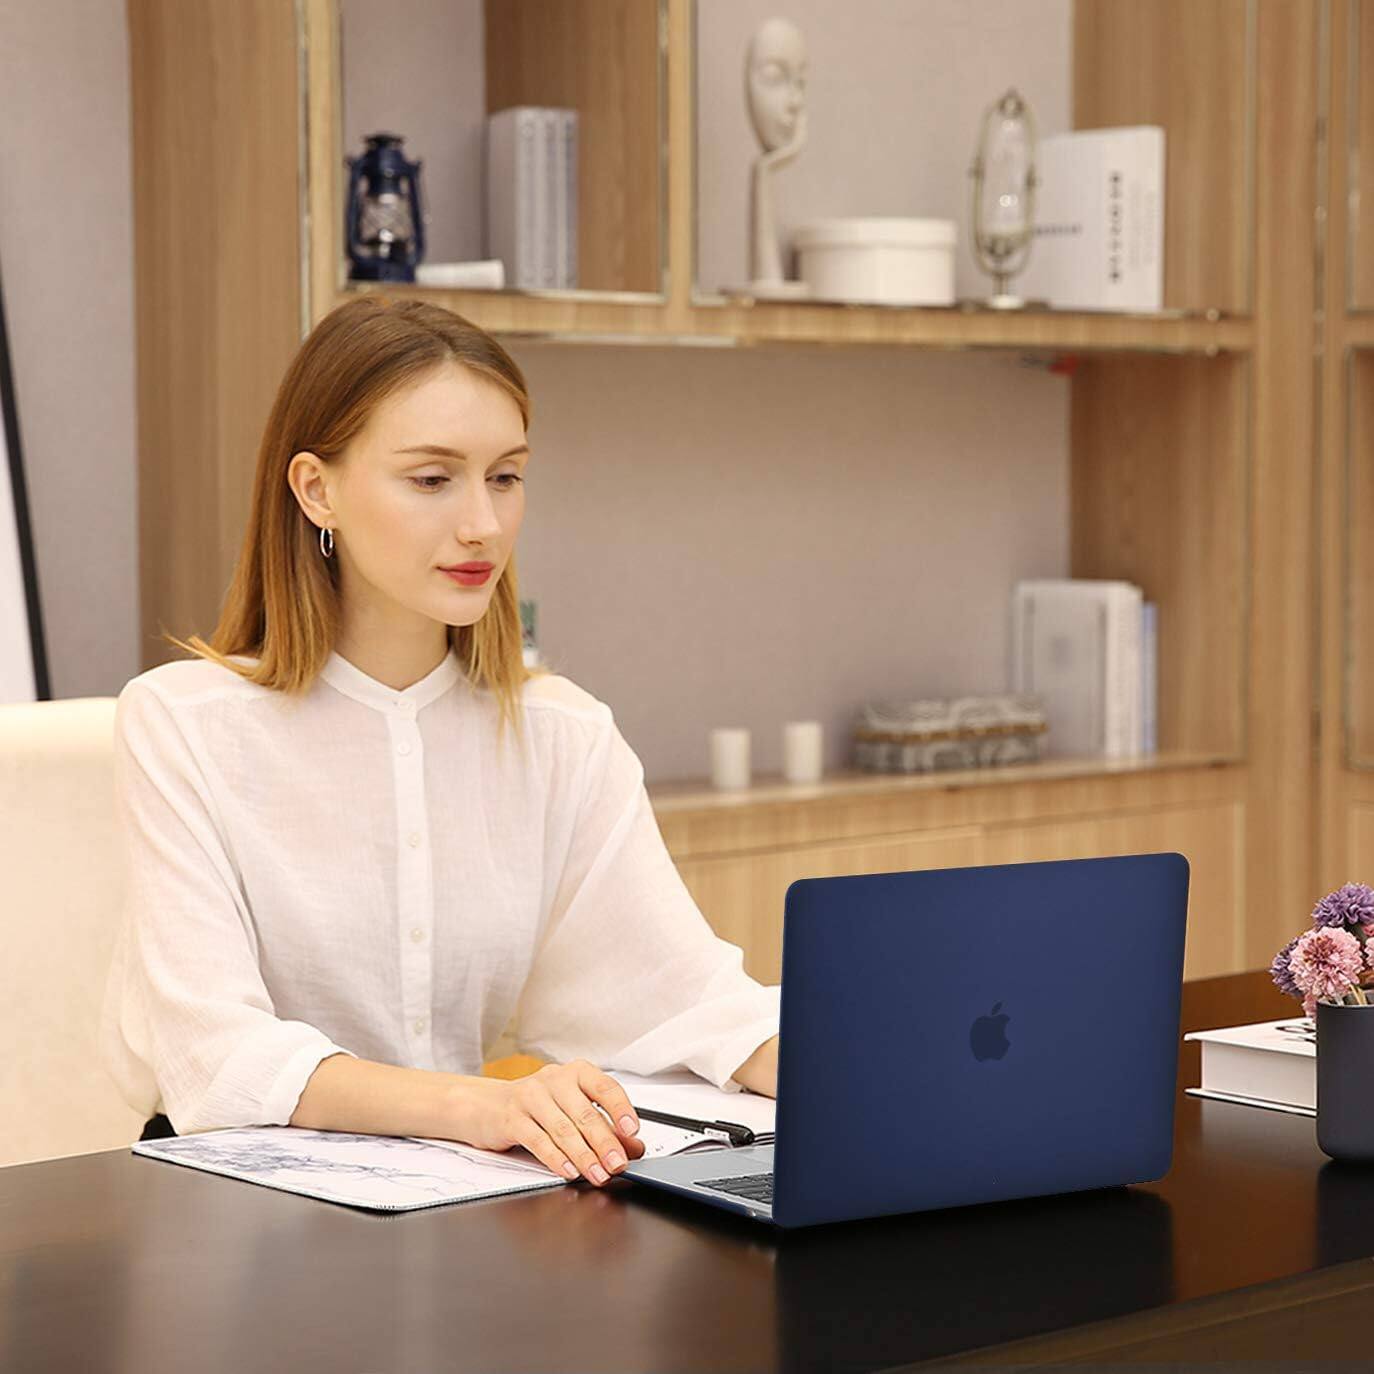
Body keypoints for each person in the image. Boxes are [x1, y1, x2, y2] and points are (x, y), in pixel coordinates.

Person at [101, 296, 781, 1188]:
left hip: (460, 1195)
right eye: (432, 480)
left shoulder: (561, 734)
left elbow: (681, 996)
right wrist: (485, 1107)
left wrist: (859, 1070)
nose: (483, 526)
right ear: (317, 489)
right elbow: (217, 1055)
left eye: (505, 477)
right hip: (229, 1209)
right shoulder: (183, 725)